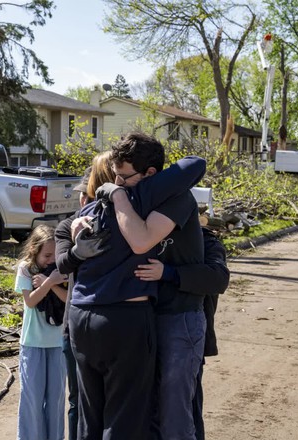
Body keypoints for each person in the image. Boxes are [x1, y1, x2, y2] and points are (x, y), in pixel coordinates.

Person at [69, 133, 207, 440]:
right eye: (113, 175)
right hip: (140, 316)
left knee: (172, 416)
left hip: (177, 317)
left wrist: (168, 273)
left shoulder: (173, 198)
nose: (117, 182)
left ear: (151, 175)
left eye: (124, 176)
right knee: (141, 416)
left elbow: (141, 239)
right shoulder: (125, 200)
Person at [134, 227, 229, 440]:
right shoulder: (146, 234)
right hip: (146, 333)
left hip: (185, 334)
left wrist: (169, 273)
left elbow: (218, 278)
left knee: (183, 411)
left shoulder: (204, 238)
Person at [55, 153, 114, 440]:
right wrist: (79, 250)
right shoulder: (67, 226)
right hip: (74, 325)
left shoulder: (117, 219)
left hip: (104, 321)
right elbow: (62, 263)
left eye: (85, 194)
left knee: (104, 404)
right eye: (81, 195)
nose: (81, 200)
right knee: (78, 400)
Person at [15, 224, 69, 440]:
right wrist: (49, 283)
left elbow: (69, 299)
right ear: (34, 251)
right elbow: (30, 301)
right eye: (46, 255)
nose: (51, 260)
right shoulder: (25, 269)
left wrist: (52, 282)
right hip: (32, 343)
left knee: (56, 400)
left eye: (54, 255)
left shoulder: (60, 270)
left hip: (57, 343)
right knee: (32, 400)